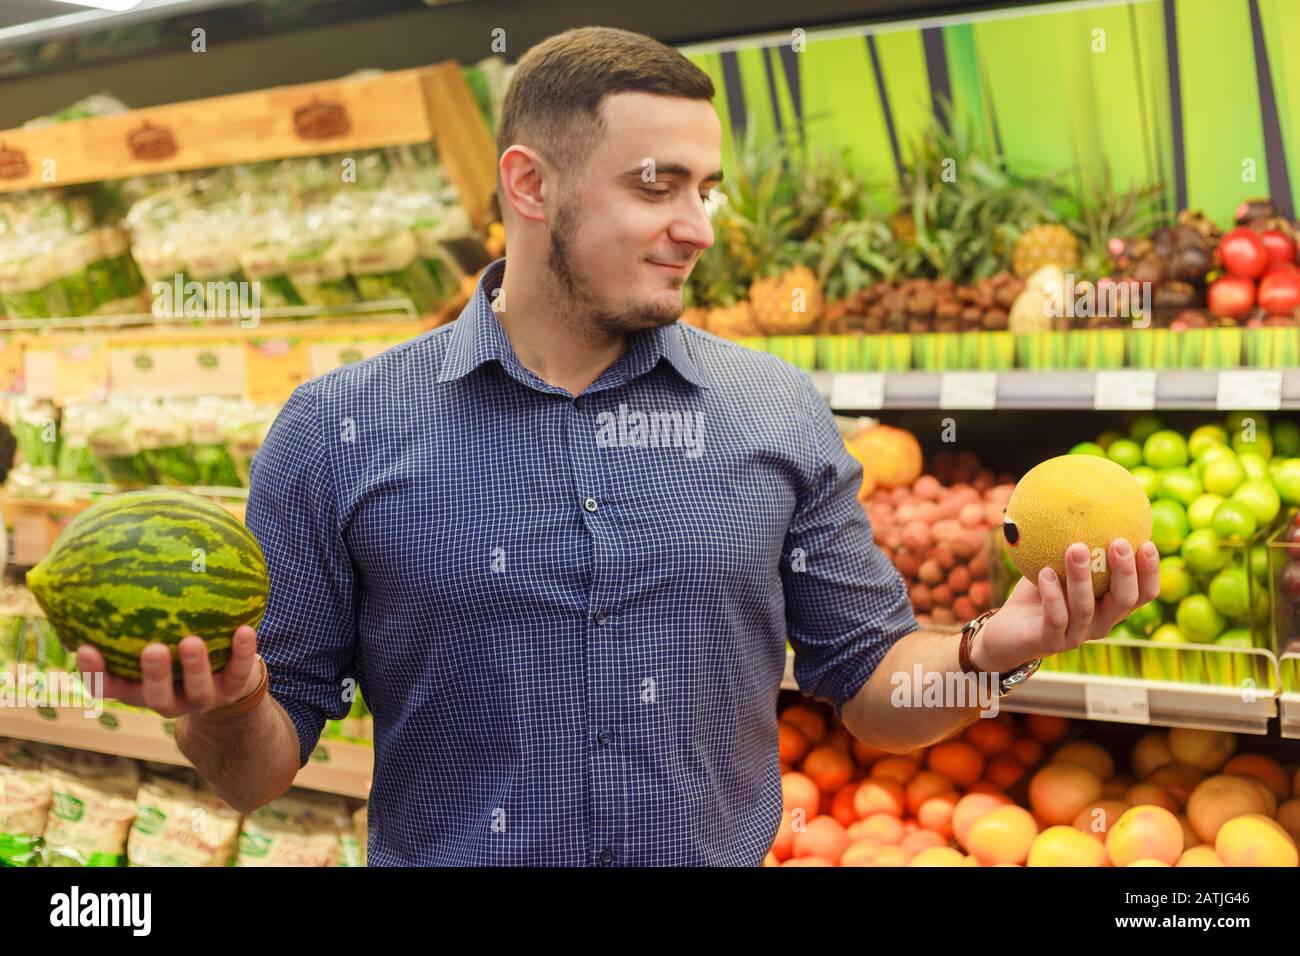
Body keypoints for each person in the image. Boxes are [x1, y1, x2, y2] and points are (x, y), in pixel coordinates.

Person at [77, 26, 1159, 865]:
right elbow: (256, 774)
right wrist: (219, 709)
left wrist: (991, 646)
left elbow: (872, 690)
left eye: (706, 188)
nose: (698, 225)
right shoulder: (337, 431)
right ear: (530, 184)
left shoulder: (775, 412)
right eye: (657, 184)